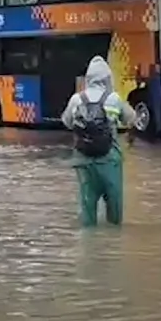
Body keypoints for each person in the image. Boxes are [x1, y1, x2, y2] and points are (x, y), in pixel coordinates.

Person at [61, 56, 138, 227]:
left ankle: (89, 247)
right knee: (114, 206)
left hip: (83, 161)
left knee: (87, 208)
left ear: (88, 79)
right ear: (107, 78)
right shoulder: (113, 98)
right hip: (109, 160)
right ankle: (113, 247)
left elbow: (66, 122)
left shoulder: (76, 99)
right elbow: (131, 118)